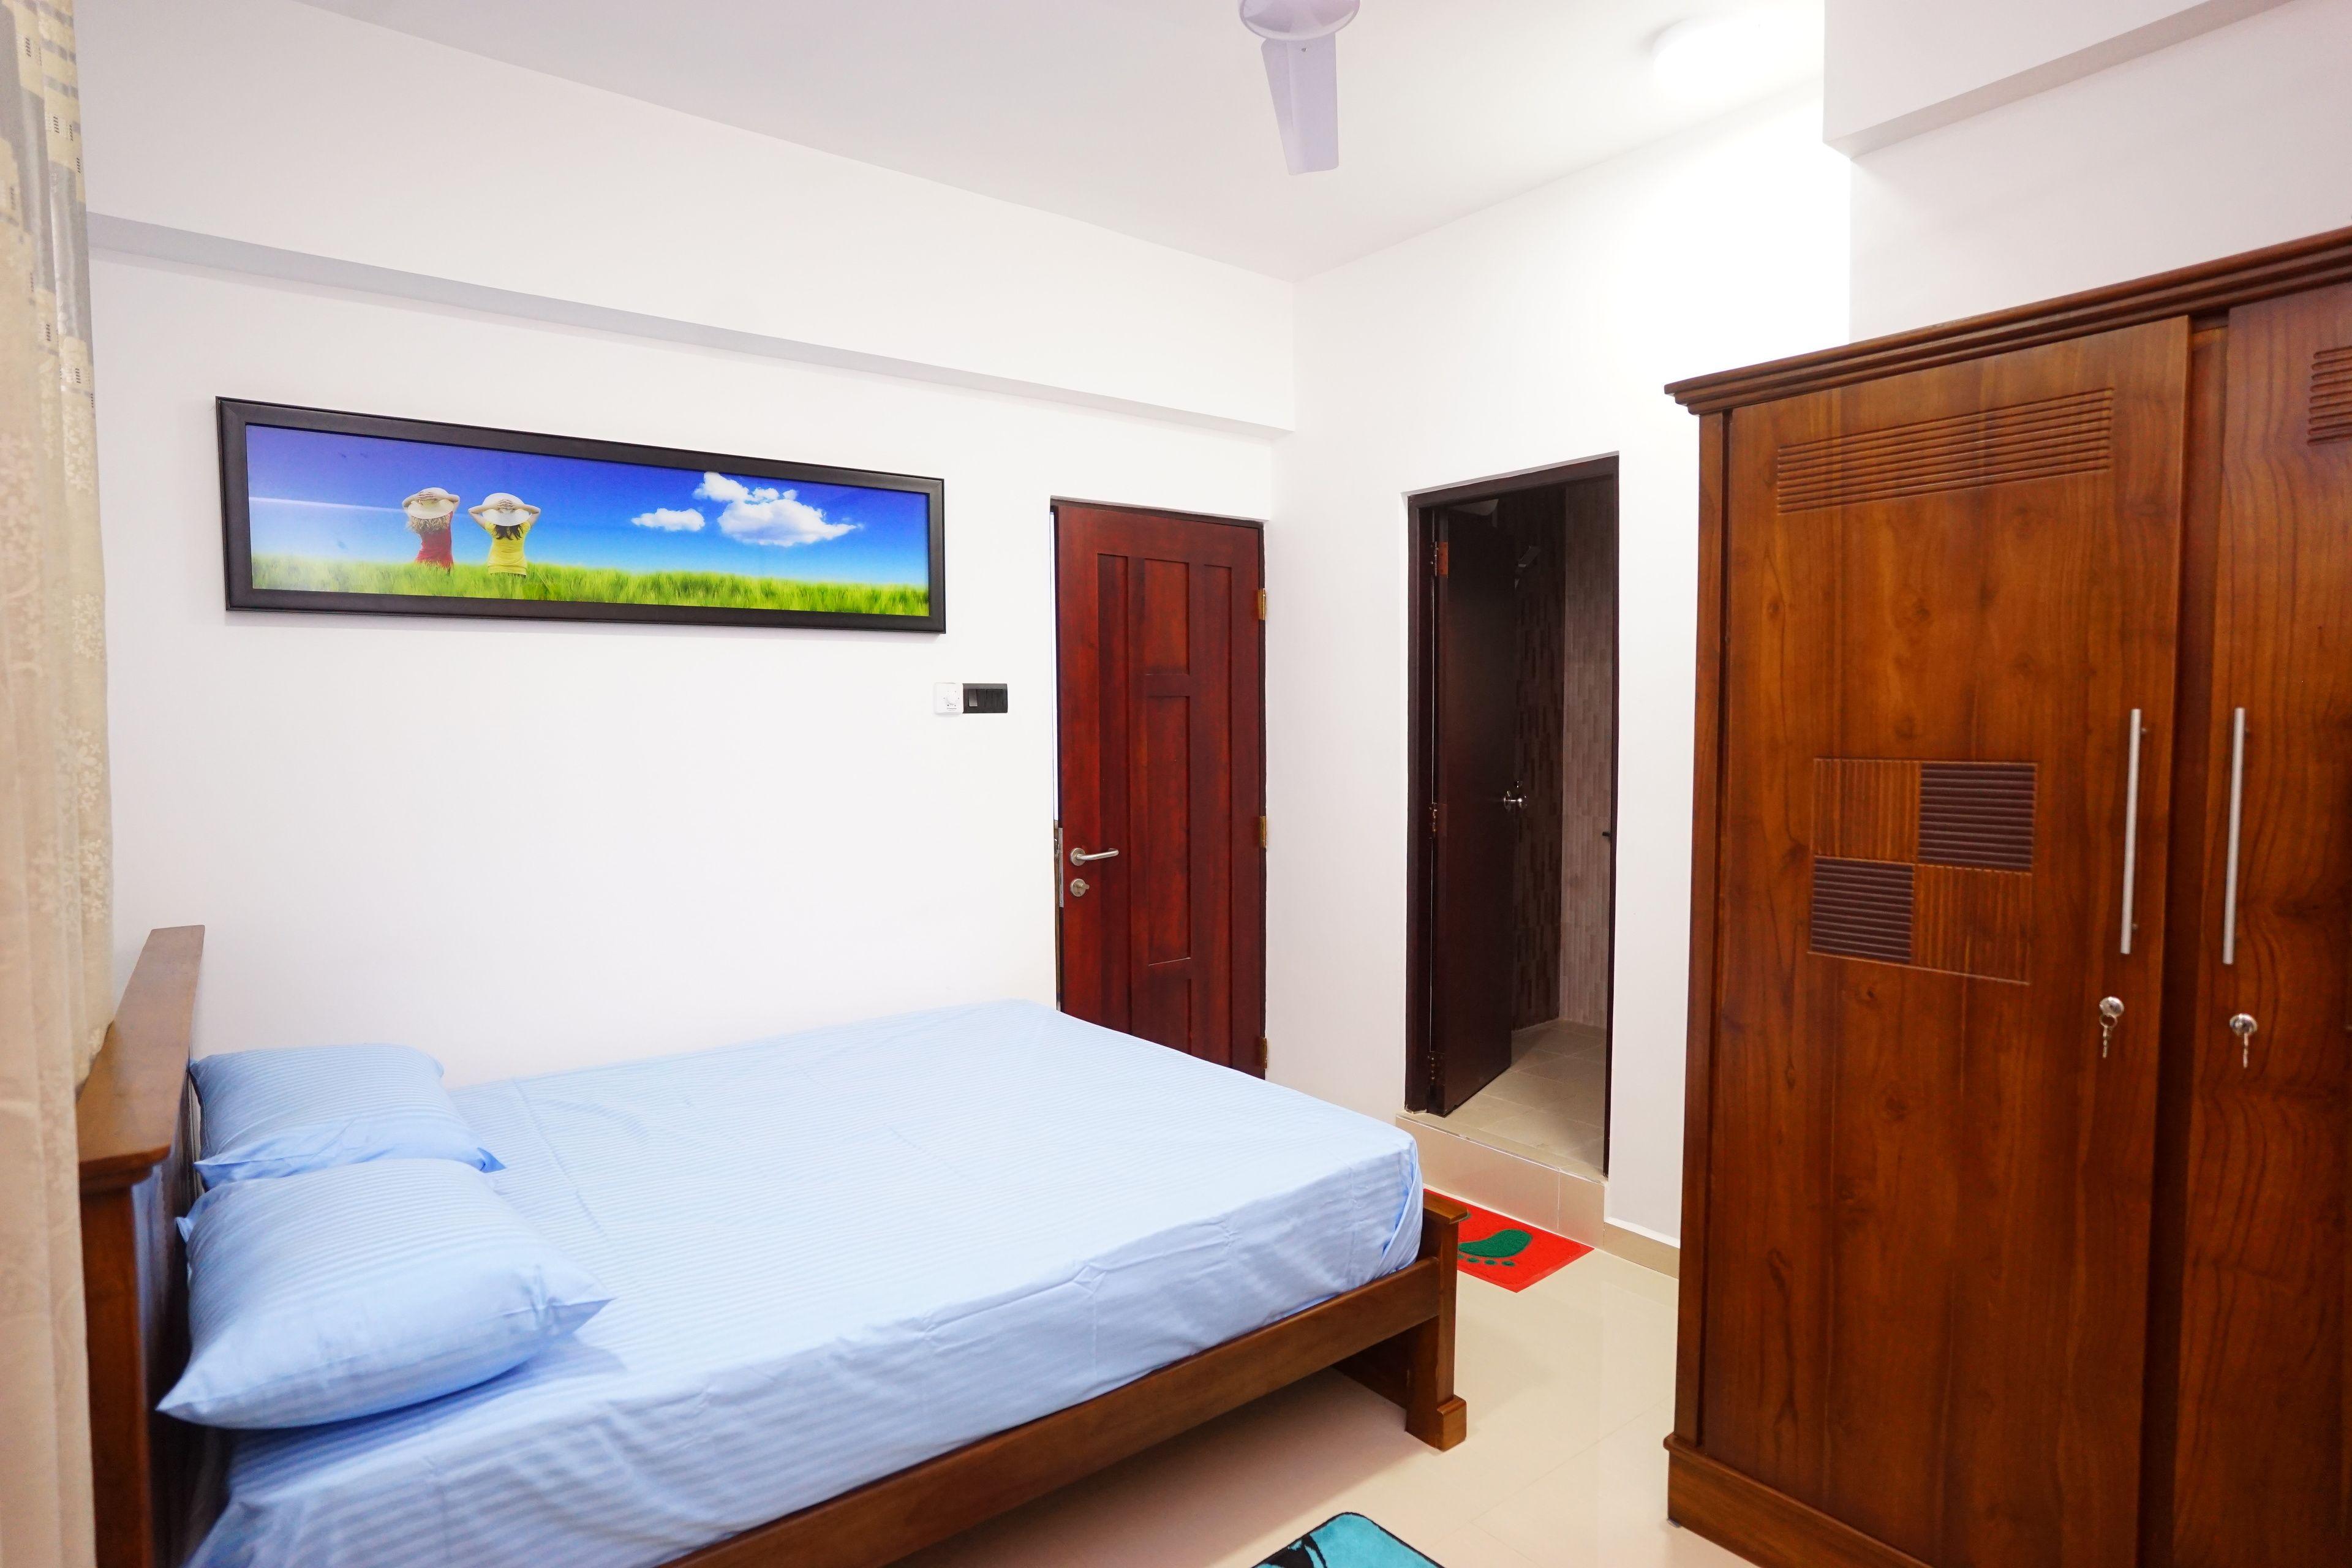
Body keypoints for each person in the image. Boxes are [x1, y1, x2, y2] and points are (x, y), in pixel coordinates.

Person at [469, 492, 540, 577]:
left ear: (497, 515)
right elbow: (537, 511)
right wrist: (518, 506)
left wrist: (493, 506)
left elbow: (472, 511)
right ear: (516, 515)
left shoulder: (493, 527)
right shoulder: (524, 527)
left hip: (496, 567)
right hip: (519, 569)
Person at [402, 486, 459, 569]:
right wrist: (443, 497)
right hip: (445, 562)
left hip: (422, 562)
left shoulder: (417, 520)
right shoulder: (447, 519)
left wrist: (414, 497)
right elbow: (457, 499)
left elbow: (405, 505)